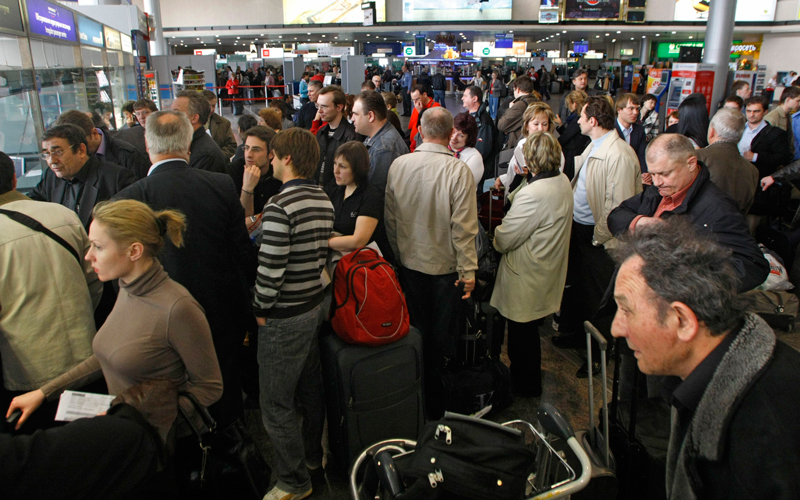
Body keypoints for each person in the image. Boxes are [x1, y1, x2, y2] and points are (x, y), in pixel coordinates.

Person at [609, 218, 800, 500]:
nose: (616, 328)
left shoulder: (763, 442)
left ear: (684, 321)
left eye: (627, 310)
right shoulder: (708, 377)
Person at [7, 198, 223, 431]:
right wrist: (43, 393)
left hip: (164, 447)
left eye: (98, 247)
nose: (89, 256)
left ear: (134, 251)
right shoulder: (126, 287)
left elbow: (209, 388)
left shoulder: (177, 308)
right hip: (126, 434)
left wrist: (135, 417)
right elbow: (106, 355)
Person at [115, 110, 253, 428]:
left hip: (158, 327)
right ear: (188, 144)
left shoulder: (130, 200)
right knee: (224, 392)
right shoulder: (220, 186)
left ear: (149, 147)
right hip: (220, 315)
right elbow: (242, 253)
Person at [253, 127, 334, 500]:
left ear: (286, 158)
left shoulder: (279, 205)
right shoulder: (322, 198)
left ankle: (292, 480)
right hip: (313, 305)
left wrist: (259, 310)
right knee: (310, 389)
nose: (268, 160)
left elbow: (271, 269)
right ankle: (313, 459)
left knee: (276, 403)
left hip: (284, 315)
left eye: (272, 154)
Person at [0, 152, 102, 430]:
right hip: (89, 359)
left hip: (28, 379)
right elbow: (94, 280)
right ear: (13, 179)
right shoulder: (63, 214)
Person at [385, 107, 478, 381]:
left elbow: (390, 220)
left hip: (409, 265)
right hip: (445, 270)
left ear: (420, 132)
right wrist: (468, 271)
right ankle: (438, 400)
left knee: (414, 329)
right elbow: (463, 229)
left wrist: (399, 255)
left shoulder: (399, 165)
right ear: (451, 134)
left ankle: (414, 389)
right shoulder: (459, 171)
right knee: (441, 339)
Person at [608, 133, 768, 292]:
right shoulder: (659, 191)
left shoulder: (718, 208)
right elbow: (616, 216)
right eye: (653, 174)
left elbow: (753, 266)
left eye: (665, 174)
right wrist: (642, 223)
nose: (657, 182)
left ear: (691, 164)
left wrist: (685, 276)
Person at [552, 97, 642, 378]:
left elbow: (619, 207)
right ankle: (578, 336)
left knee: (598, 295)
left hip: (599, 238)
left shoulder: (620, 155)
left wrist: (599, 237)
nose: (576, 120)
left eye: (581, 116)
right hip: (582, 229)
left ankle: (598, 355)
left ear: (593, 121)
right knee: (579, 288)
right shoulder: (596, 145)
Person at [490, 132, 572, 397]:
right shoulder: (561, 180)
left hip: (526, 275)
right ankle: (529, 382)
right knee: (528, 335)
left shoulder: (535, 193)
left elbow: (505, 239)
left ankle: (524, 387)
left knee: (520, 339)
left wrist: (496, 234)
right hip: (546, 269)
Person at [30, 124, 135, 231]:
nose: (52, 161)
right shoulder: (51, 175)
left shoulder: (116, 178)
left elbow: (128, 226)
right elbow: (31, 202)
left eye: (58, 152)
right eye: (46, 154)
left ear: (81, 150)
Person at [325, 141, 385, 255]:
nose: (336, 171)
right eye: (335, 164)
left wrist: (324, 242)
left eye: (342, 166)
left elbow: (358, 241)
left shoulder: (371, 196)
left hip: (362, 263)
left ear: (358, 169)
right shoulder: (335, 190)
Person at [696, 108, 759, 215]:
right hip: (732, 228)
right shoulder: (752, 170)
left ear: (712, 132)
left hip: (694, 226)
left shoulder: (696, 157)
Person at [495, 103, 563, 201]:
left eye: (544, 124)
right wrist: (503, 179)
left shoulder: (554, 150)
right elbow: (514, 171)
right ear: (526, 125)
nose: (540, 128)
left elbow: (554, 181)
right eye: (536, 124)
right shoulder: (521, 144)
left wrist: (529, 176)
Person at [56, 110, 149, 181]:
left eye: (81, 144)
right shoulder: (59, 168)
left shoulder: (127, 156)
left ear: (95, 134)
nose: (79, 151)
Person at [351, 90, 408, 195]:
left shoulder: (384, 148)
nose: (352, 119)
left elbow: (375, 195)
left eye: (355, 114)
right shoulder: (378, 140)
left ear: (371, 116)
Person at [227, 125, 281, 219]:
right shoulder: (233, 171)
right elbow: (241, 220)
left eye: (256, 150)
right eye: (246, 148)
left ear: (271, 154)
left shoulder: (277, 174)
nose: (249, 155)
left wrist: (257, 219)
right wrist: (247, 188)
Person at [313, 85, 360, 188]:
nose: (319, 111)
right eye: (318, 106)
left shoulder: (351, 136)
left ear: (339, 107)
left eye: (324, 106)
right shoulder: (321, 132)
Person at [170, 90, 228, 173]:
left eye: (176, 112)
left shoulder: (206, 155)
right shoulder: (186, 143)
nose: (170, 117)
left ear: (194, 118)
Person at [462, 85, 495, 181]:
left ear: (474, 98)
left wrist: (470, 160)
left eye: (465, 96)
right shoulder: (467, 116)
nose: (462, 98)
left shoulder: (484, 121)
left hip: (476, 168)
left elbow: (483, 149)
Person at [497, 76, 539, 151]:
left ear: (518, 89)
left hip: (519, 145)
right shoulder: (536, 101)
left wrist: (510, 109)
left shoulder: (520, 105)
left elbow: (501, 125)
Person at [557, 90, 591, 181]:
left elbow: (566, 137)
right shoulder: (581, 117)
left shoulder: (577, 118)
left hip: (572, 155)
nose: (568, 107)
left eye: (569, 104)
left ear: (574, 104)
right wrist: (560, 125)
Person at [615, 93, 648, 177]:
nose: (635, 112)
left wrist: (644, 173)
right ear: (619, 110)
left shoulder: (639, 130)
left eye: (637, 109)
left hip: (633, 173)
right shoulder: (609, 129)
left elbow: (641, 155)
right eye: (631, 108)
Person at [448, 112, 483, 189]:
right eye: (453, 132)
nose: (454, 138)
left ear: (469, 138)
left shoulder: (474, 156)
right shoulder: (443, 148)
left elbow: (463, 186)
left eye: (461, 135)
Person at [764, 85, 800, 157]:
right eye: (798, 101)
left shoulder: (788, 116)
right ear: (788, 100)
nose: (799, 104)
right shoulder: (772, 117)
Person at [201, 89, 238, 159]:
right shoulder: (190, 123)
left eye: (213, 106)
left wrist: (216, 156)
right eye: (208, 106)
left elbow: (232, 146)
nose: (211, 109)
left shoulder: (224, 123)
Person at [408, 84, 441, 152]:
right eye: (413, 100)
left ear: (425, 95)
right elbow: (411, 126)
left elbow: (433, 129)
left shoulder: (435, 107)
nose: (415, 103)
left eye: (417, 99)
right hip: (414, 144)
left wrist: (420, 112)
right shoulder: (416, 108)